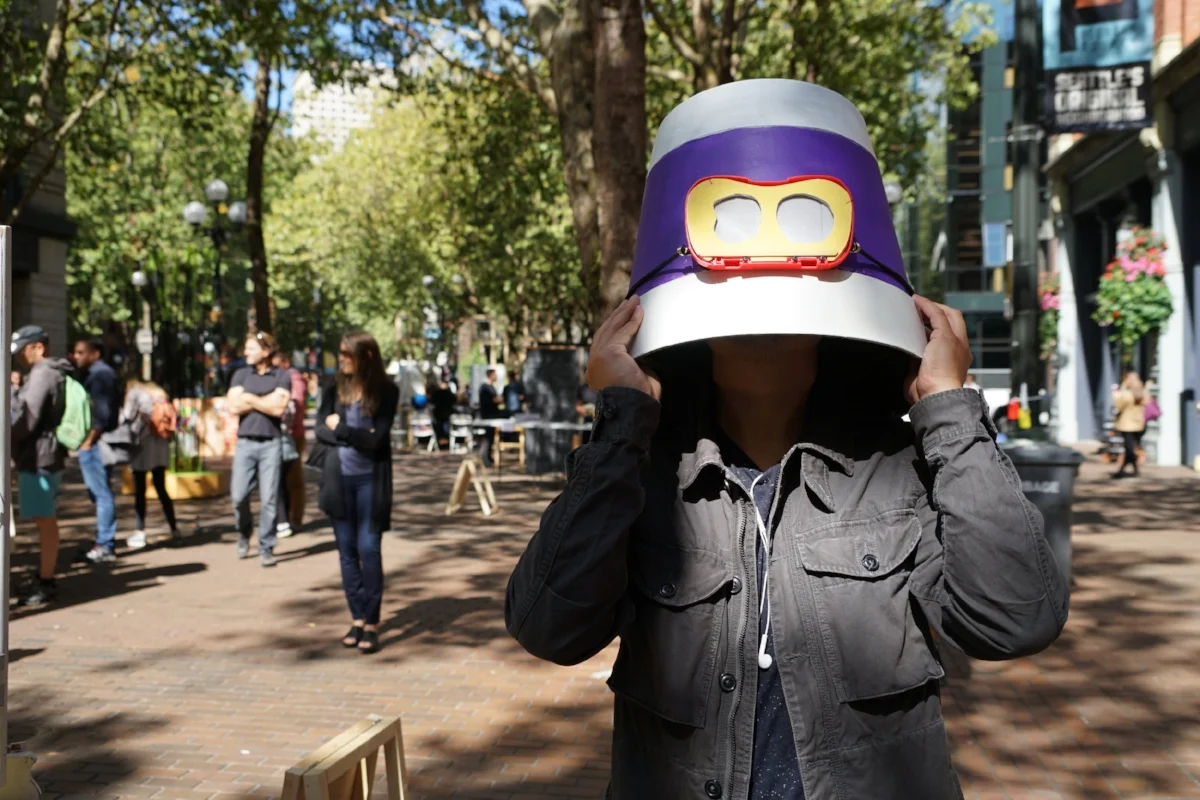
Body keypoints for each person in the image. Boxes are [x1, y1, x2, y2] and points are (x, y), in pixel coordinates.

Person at [505, 81, 1068, 799]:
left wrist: (951, 411)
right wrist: (620, 426)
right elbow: (548, 625)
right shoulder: (645, 473)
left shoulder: (898, 468)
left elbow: (1017, 620)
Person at [315, 331, 399, 654]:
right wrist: (351, 434)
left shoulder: (387, 391)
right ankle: (357, 617)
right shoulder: (332, 387)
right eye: (340, 353)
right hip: (339, 481)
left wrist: (343, 429)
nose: (341, 359)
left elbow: (378, 440)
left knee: (369, 550)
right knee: (347, 552)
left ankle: (373, 621)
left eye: (346, 354)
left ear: (365, 356)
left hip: (370, 483)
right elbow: (320, 429)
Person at [10, 326, 72, 607]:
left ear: (38, 347)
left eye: (23, 350)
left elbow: (26, 421)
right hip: (45, 454)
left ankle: (46, 579)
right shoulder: (47, 373)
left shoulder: (43, 374)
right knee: (44, 518)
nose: (20, 357)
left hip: (39, 457)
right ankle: (46, 575)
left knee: (44, 519)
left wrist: (12, 394)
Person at [227, 332, 292, 567]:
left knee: (269, 499)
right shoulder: (240, 374)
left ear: (266, 351)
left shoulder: (281, 376)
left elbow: (278, 409)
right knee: (238, 496)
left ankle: (266, 546)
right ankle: (244, 533)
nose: (246, 353)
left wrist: (249, 399)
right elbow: (233, 405)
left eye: (251, 348)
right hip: (245, 443)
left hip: (271, 444)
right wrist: (265, 400)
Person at [71, 337, 122, 564]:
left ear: (95, 354)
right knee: (99, 493)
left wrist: (88, 441)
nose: (77, 357)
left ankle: (104, 544)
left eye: (81, 352)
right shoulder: (97, 374)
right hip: (93, 443)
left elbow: (101, 414)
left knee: (101, 494)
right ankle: (103, 541)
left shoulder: (101, 375)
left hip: (95, 445)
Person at [121, 380, 181, 549]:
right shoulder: (160, 395)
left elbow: (127, 416)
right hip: (161, 446)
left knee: (140, 490)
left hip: (142, 447)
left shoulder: (135, 394)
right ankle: (174, 528)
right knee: (161, 488)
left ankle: (140, 532)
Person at [272, 350, 308, 536]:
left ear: (285, 363)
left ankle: (296, 518)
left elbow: (295, 404)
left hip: (293, 436)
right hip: (280, 435)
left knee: (294, 480)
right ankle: (283, 517)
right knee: (280, 480)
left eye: (277, 365)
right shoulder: (281, 378)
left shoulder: (295, 379)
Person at [1112, 370, 1147, 478]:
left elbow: (1118, 405)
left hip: (1127, 424)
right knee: (1131, 447)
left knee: (1129, 449)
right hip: (1139, 423)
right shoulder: (1142, 392)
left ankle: (1123, 470)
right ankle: (1132, 469)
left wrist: (1120, 389)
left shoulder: (1127, 393)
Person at [477, 368, 505, 465]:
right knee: (488, 437)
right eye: (494, 374)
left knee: (490, 437)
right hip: (488, 416)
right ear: (490, 375)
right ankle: (484, 458)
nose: (496, 376)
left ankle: (487, 457)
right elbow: (492, 401)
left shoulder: (489, 387)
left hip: (491, 415)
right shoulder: (485, 387)